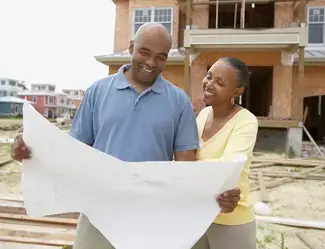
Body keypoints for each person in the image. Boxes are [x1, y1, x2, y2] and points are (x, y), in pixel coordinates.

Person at [10, 23, 241, 249]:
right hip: (98, 212)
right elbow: (72, 151)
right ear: (131, 47)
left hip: (151, 215)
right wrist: (32, 150)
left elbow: (187, 168)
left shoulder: (179, 102)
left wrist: (217, 195)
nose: (151, 62)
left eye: (160, 57)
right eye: (144, 52)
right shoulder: (97, 92)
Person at [193, 57, 258, 249]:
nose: (210, 84)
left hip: (232, 219)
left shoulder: (245, 121)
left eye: (220, 83)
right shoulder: (203, 114)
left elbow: (228, 168)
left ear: (237, 91)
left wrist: (182, 169)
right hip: (200, 215)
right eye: (209, 76)